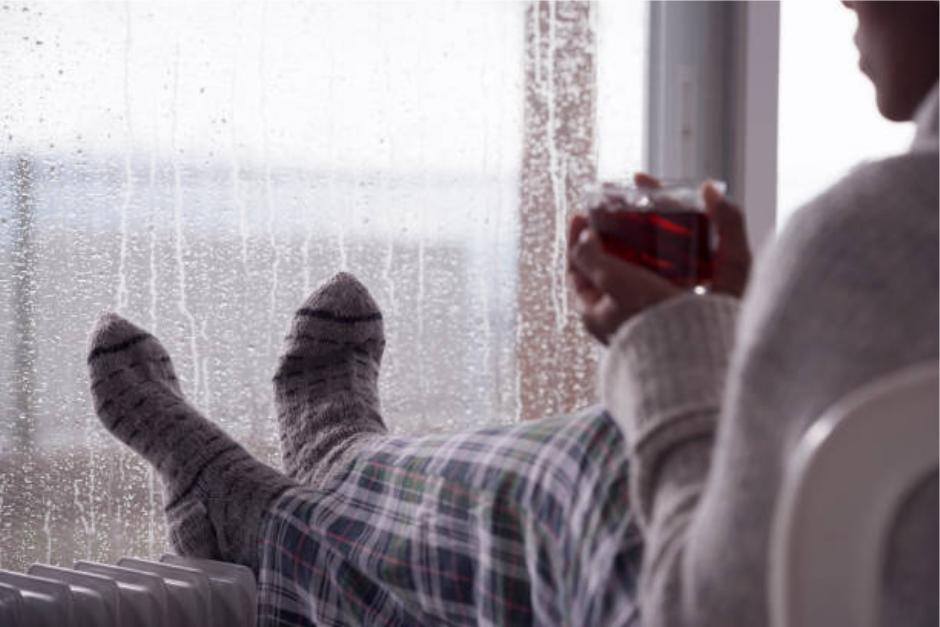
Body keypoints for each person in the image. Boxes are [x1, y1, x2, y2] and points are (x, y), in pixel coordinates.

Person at [85, 1, 937, 625]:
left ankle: (282, 514)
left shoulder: (888, 230)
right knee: (608, 456)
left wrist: (667, 338)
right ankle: (337, 469)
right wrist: (759, 335)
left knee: (603, 469)